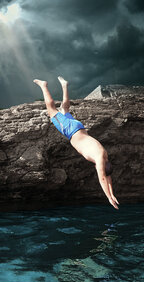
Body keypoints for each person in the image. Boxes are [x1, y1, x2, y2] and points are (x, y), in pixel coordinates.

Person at [33, 76, 119, 210]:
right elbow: (103, 178)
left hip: (79, 127)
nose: (100, 170)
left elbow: (108, 178)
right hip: (71, 131)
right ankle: (44, 86)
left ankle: (65, 85)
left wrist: (112, 194)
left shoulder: (104, 156)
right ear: (103, 167)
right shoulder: (99, 160)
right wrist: (108, 197)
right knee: (51, 110)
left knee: (65, 109)